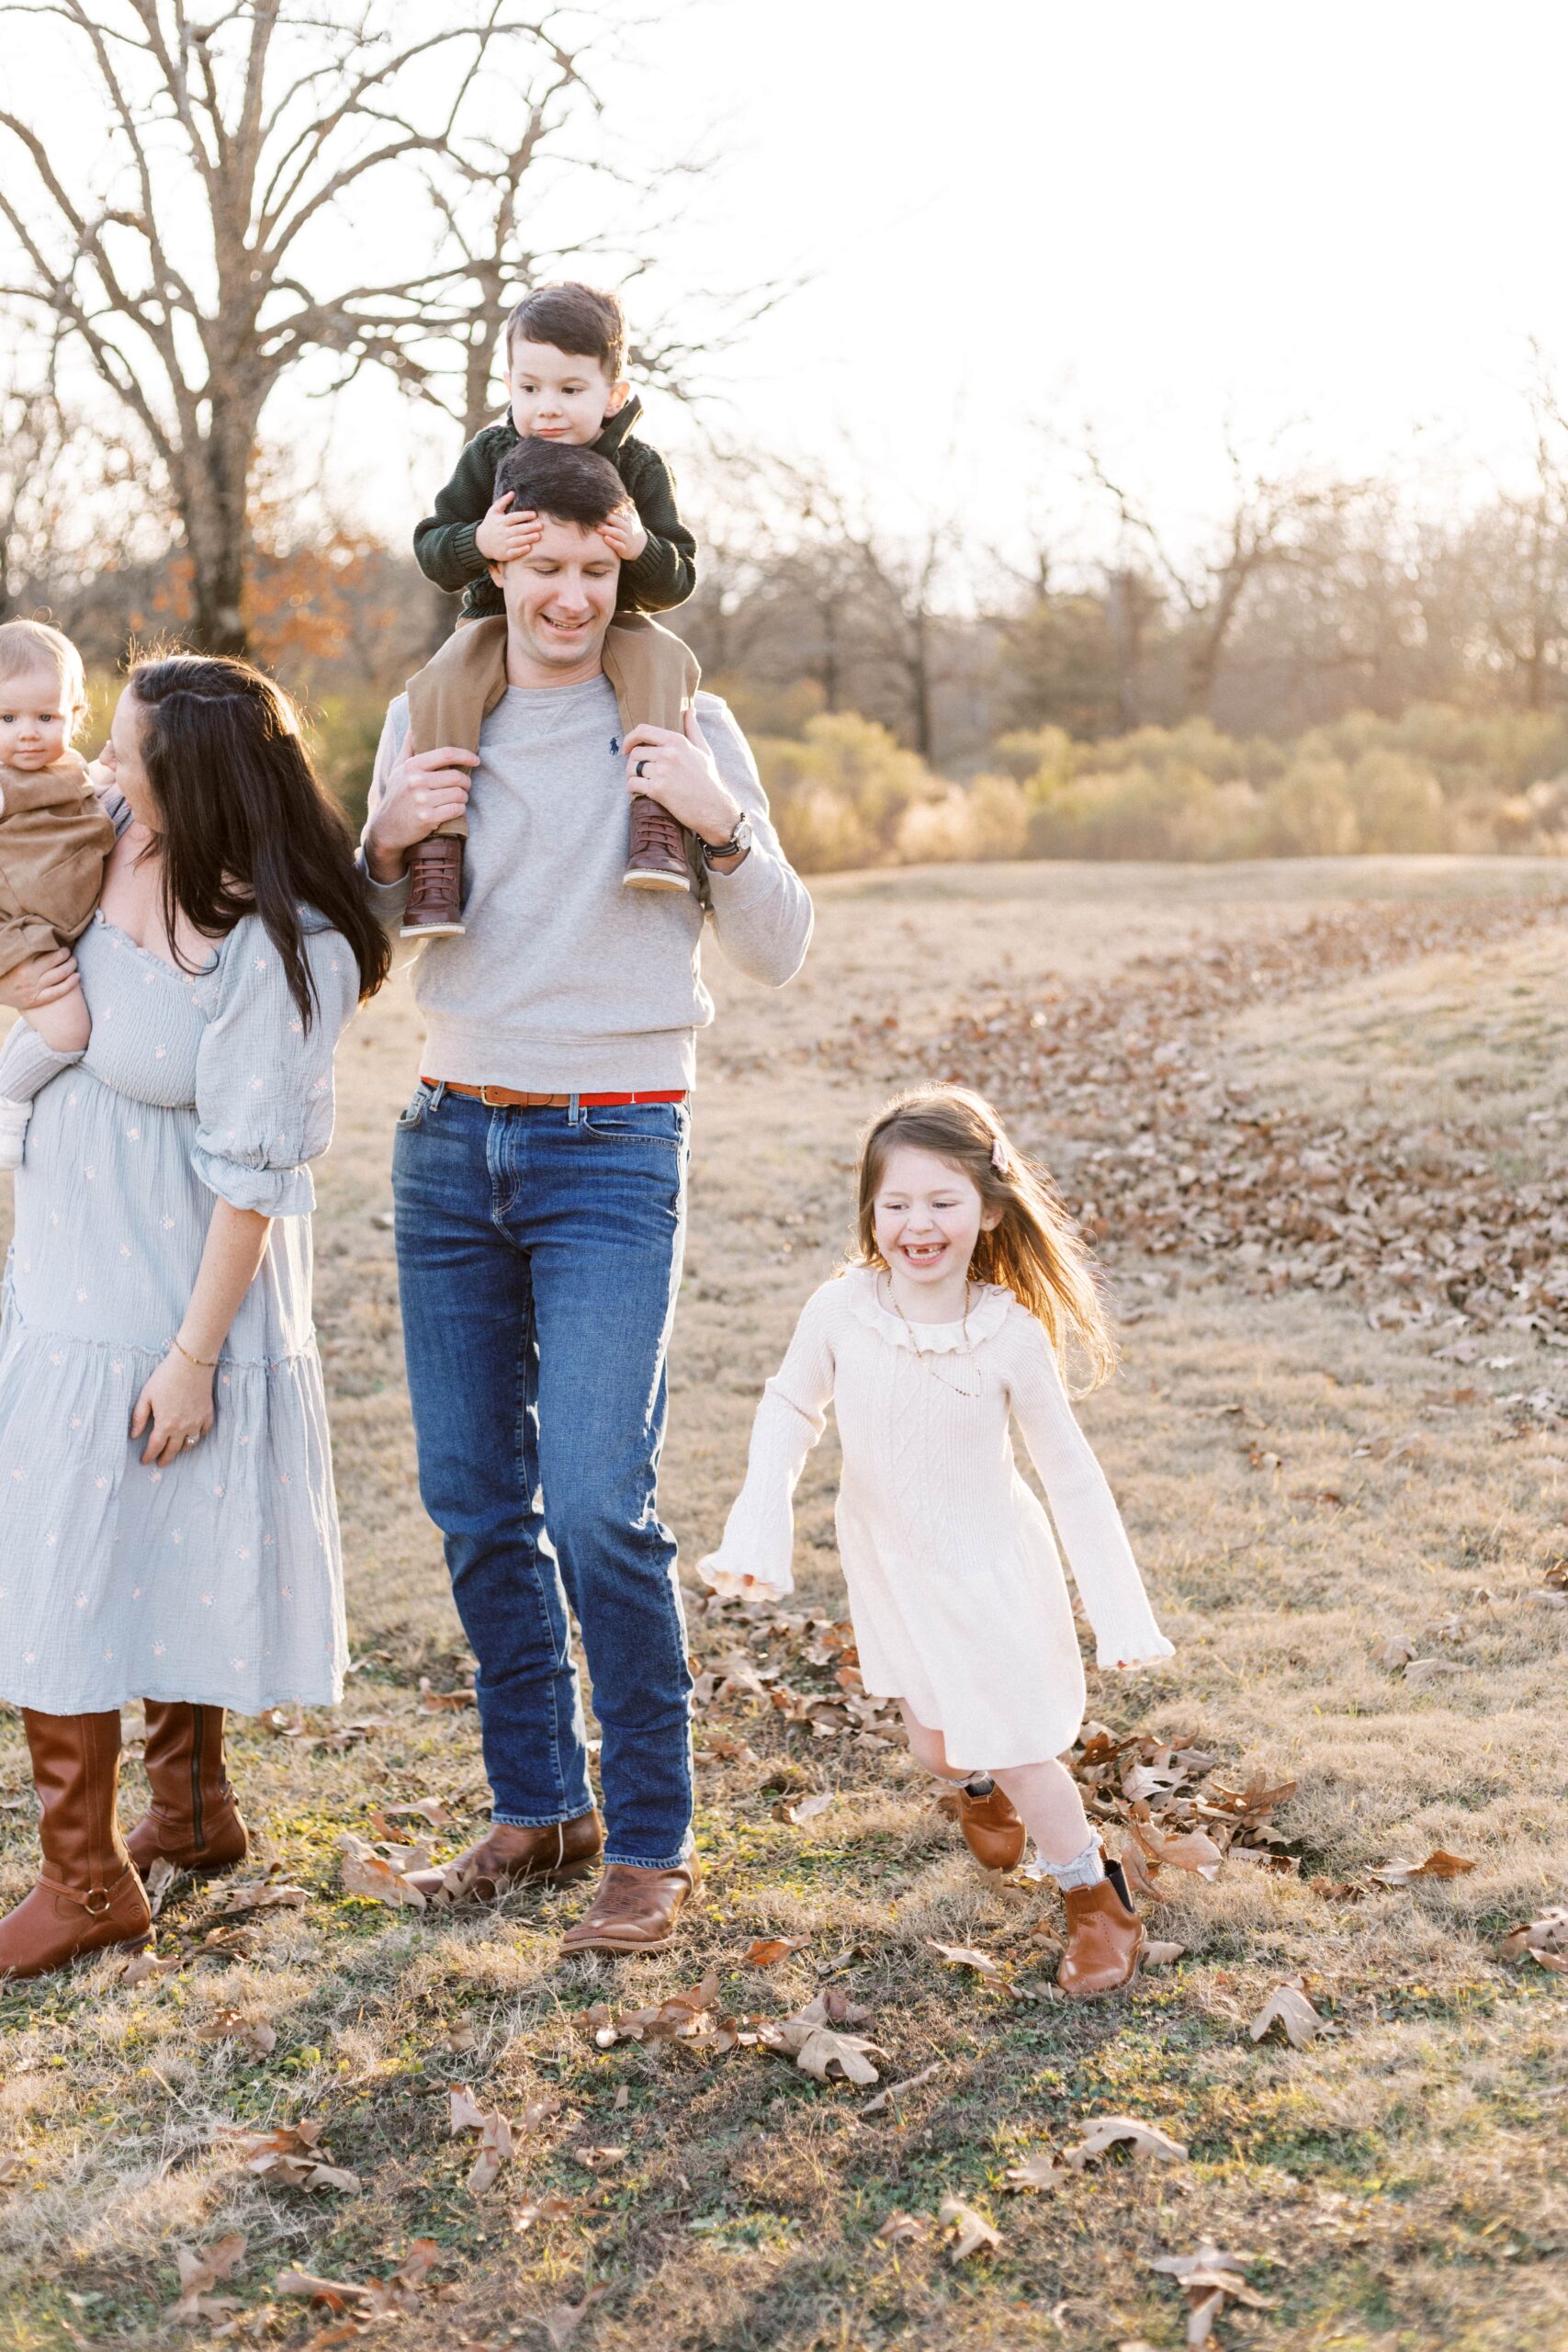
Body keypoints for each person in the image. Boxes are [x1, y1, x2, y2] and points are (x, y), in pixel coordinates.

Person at [361, 434, 812, 1956]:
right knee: (475, 1502)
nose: (567, 595)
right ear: (493, 559)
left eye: (593, 568)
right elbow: (360, 955)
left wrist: (717, 815)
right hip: (449, 1140)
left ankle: (652, 1839)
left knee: (595, 1509)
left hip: (614, 1145)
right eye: (538, 565)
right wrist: (380, 847)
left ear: (627, 562)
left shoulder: (683, 722)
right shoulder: (430, 718)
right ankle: (537, 1806)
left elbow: (777, 950)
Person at [0, 655, 389, 1980]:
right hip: (65, 1263)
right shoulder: (107, 836)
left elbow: (252, 1181)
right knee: (92, 1535)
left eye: (128, 750)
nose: (102, 767)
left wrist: (193, 1358)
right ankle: (191, 1810)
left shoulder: (283, 949)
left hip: (168, 1280)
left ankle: (87, 1879)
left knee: (73, 1552)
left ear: (200, 778)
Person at [699, 1086, 1175, 1999]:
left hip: (987, 1571)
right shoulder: (842, 1310)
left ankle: (1095, 1899)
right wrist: (757, 1522)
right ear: (870, 1212)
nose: (918, 1223)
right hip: (893, 1570)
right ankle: (976, 1786)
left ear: (989, 1211)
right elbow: (791, 1406)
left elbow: (1068, 1473)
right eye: (897, 1203)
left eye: (942, 1201)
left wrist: (1120, 1612)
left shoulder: (1009, 1334)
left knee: (1021, 1748)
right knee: (936, 1745)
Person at [407, 279, 701, 931]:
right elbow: (431, 547)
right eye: (529, 388)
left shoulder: (640, 467)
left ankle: (655, 821)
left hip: (612, 622)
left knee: (661, 658)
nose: (547, 408)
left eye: (570, 391)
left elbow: (677, 579)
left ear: (612, 395)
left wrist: (640, 547)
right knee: (443, 681)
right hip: (496, 620)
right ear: (509, 383)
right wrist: (476, 540)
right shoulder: (488, 455)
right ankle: (437, 851)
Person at [0, 619, 116, 1169]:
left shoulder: (69, 769)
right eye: (6, 718)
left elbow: (84, 800)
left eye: (46, 717)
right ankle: (8, 1097)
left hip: (53, 928)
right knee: (70, 1033)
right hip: (19, 930)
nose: (28, 732)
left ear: (75, 716)